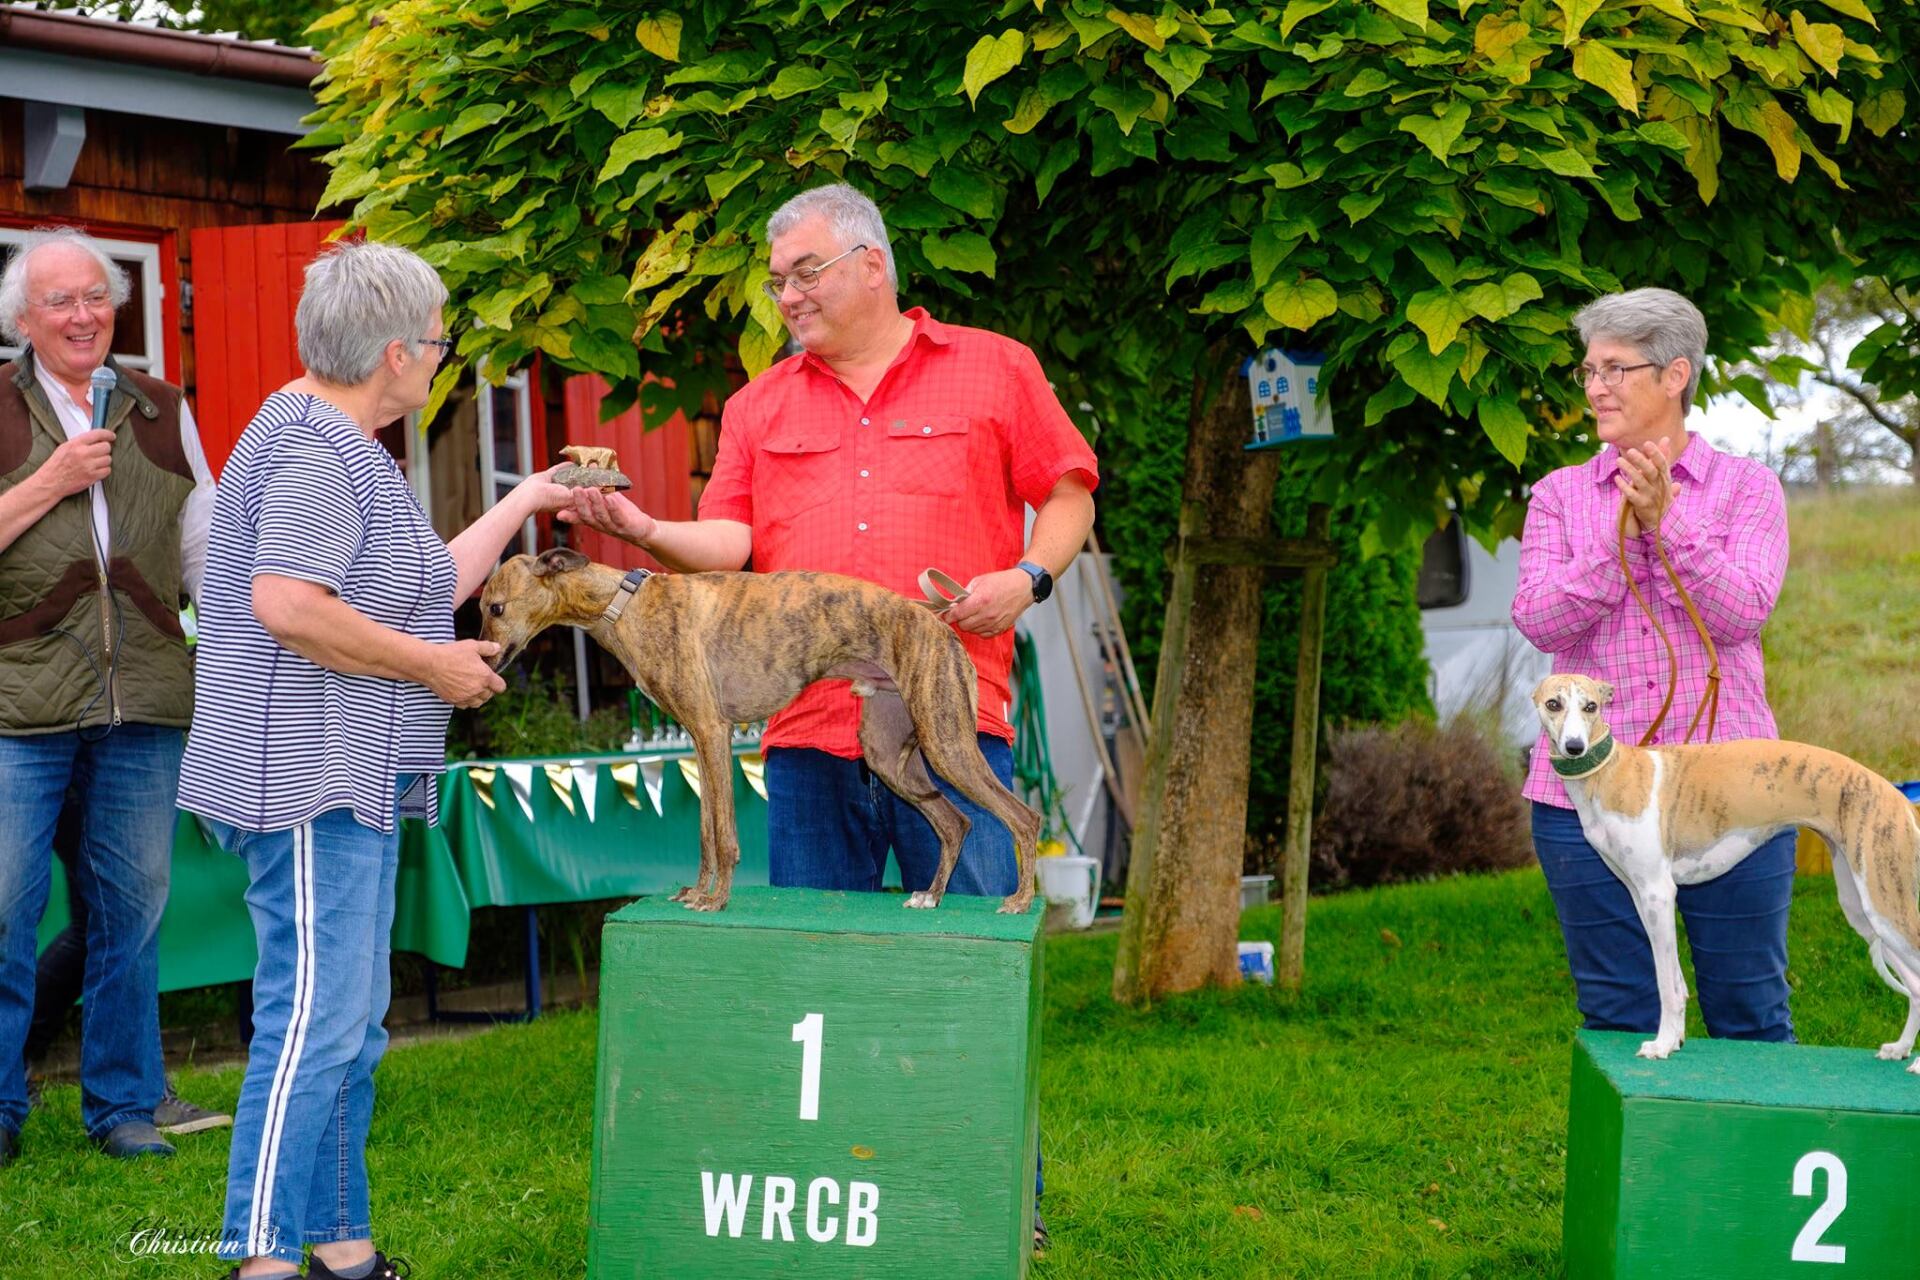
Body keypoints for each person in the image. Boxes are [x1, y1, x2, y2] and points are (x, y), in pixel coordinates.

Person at [567, 182, 1097, 1251]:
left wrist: (1028, 578)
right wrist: (640, 525)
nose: (788, 296)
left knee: (972, 979)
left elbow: (1071, 489)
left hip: (953, 718)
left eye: (804, 273)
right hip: (806, 742)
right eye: (777, 282)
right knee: (821, 989)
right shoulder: (758, 405)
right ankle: (853, 1205)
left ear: (872, 264)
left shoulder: (995, 367)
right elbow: (730, 544)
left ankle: (1001, 1207)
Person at [177, 240, 575, 1280]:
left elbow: (428, 580)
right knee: (312, 1023)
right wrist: (434, 666)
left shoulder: (346, 442)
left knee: (350, 1029)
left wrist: (527, 497)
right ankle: (260, 1259)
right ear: (396, 352)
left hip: (348, 775)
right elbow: (288, 604)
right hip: (305, 777)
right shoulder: (314, 450)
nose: (442, 358)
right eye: (439, 341)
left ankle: (343, 1249)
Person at [1513, 286, 1795, 1044]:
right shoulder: (1558, 496)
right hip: (1579, 798)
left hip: (1734, 789)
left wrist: (1667, 526)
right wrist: (1623, 544)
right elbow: (1538, 619)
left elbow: (1742, 614)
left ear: (1675, 376)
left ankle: (1750, 1131)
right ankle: (1638, 1131)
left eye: (1615, 368)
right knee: (1616, 1016)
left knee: (1749, 1014)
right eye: (1588, 370)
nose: (1594, 388)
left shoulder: (1748, 488)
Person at [0, 225, 219, 1165]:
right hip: (17, 702)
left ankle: (125, 1106)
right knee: (4, 910)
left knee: (132, 910)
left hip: (145, 698)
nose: (83, 315)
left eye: (97, 296)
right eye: (61, 301)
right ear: (23, 320)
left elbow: (205, 549)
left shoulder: (163, 409)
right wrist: (51, 481)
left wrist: (244, 653)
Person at [24, 788, 232, 1136]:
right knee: (119, 919)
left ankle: (132, 1092)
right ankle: (144, 1095)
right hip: (81, 765)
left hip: (119, 761)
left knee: (103, 925)